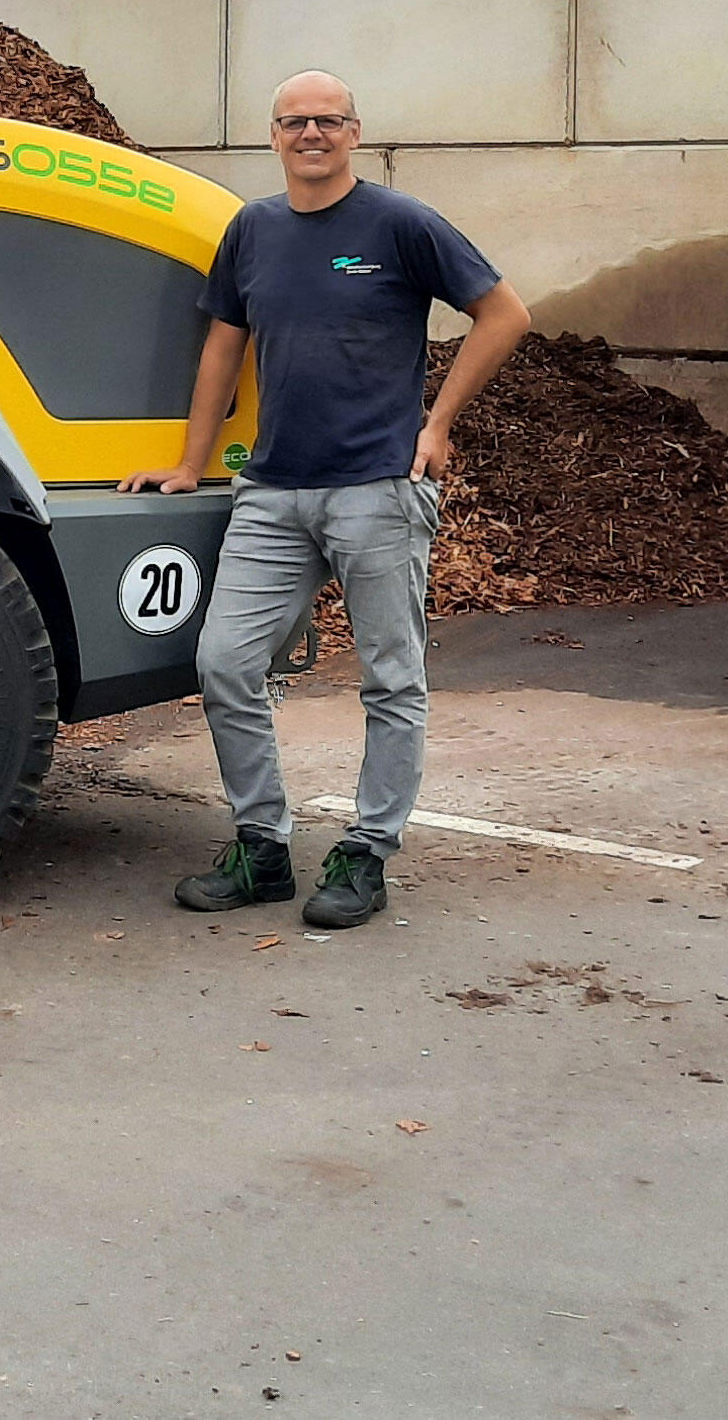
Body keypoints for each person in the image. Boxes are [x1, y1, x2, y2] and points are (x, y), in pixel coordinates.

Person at [122, 71, 530, 929]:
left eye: (327, 121)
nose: (310, 134)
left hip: (377, 488)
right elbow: (223, 347)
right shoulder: (253, 229)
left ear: (353, 132)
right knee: (224, 663)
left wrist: (437, 423)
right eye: (294, 122)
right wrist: (191, 463)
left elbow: (502, 314)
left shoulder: (400, 224)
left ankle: (366, 852)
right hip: (272, 492)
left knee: (390, 680)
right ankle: (261, 846)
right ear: (273, 136)